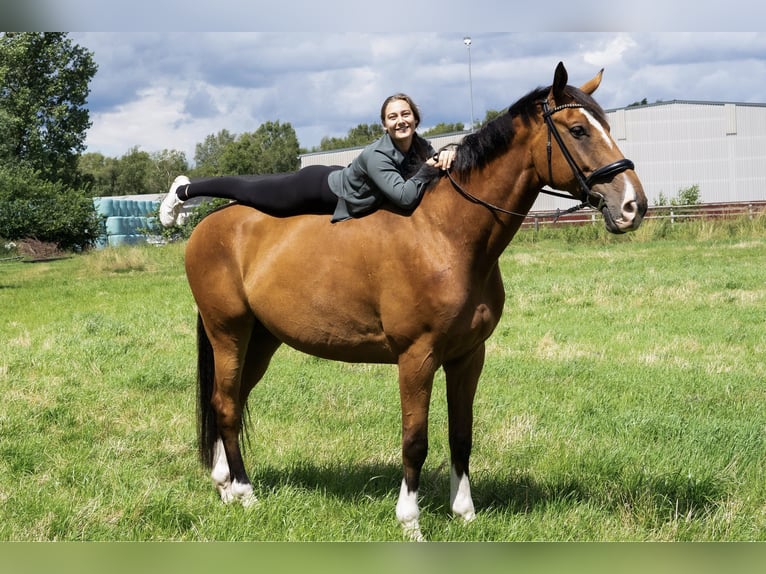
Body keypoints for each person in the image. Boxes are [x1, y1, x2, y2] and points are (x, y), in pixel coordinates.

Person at [159, 93, 457, 227]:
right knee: (250, 191)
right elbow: (405, 197)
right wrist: (428, 169)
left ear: (416, 119)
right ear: (384, 125)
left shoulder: (419, 145)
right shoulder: (377, 154)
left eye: (405, 114)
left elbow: (434, 161)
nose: (400, 121)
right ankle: (185, 190)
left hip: (342, 178)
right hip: (315, 188)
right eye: (393, 117)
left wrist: (450, 150)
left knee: (253, 191)